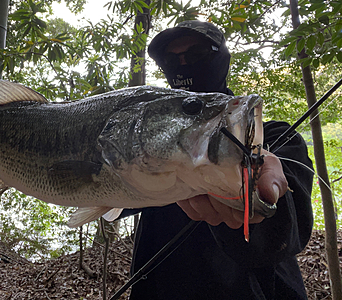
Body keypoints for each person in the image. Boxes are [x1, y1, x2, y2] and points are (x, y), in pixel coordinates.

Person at [123, 20, 313, 299]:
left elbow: (289, 226)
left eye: (197, 54)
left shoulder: (276, 134)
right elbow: (111, 195)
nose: (183, 63)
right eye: (171, 59)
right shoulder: (150, 139)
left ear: (221, 57)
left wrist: (256, 197)